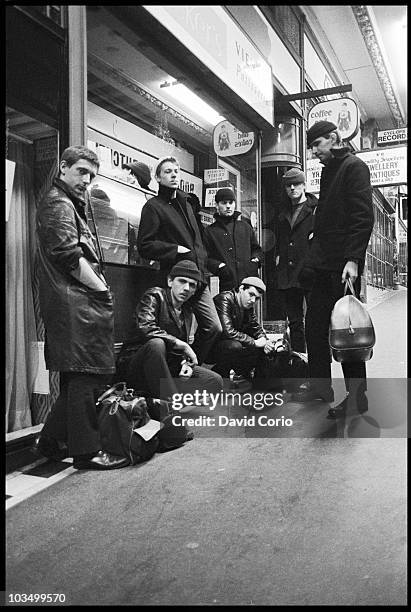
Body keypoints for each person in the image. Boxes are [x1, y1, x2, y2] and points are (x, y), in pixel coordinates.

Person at [33, 145, 128, 470]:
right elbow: (68, 255)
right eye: (81, 172)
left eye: (91, 175)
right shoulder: (59, 204)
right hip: (76, 304)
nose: (86, 180)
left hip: (73, 303)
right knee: (86, 376)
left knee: (77, 379)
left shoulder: (66, 203)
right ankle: (87, 453)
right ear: (63, 167)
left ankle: (49, 440)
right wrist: (101, 288)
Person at [294, 121, 374, 418]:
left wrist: (353, 259)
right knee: (314, 327)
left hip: (342, 266)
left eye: (317, 144)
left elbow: (363, 217)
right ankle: (320, 386)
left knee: (346, 330)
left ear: (333, 138)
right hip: (323, 265)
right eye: (311, 146)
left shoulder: (354, 167)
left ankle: (357, 398)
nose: (314, 152)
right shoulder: (330, 170)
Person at [137, 156, 222, 364]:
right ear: (158, 177)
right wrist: (176, 250)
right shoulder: (153, 206)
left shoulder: (186, 203)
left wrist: (207, 263)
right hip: (177, 278)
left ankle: (193, 365)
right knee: (175, 330)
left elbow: (199, 240)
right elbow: (144, 246)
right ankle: (177, 370)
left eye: (176, 171)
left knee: (214, 327)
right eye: (167, 171)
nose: (174, 174)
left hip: (198, 277)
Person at [122, 260, 223, 403]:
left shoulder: (187, 311)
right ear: (170, 281)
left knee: (214, 381)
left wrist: (186, 364)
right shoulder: (155, 295)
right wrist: (182, 344)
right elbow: (145, 327)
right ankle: (171, 404)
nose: (187, 288)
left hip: (167, 369)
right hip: (138, 366)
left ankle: (161, 399)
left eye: (192, 285)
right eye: (182, 281)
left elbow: (177, 349)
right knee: (156, 344)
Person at [274, 169, 317, 355]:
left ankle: (318, 365)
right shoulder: (282, 212)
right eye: (288, 185)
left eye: (296, 184)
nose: (292, 188)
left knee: (315, 322)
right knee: (295, 322)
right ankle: (301, 362)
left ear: (304, 185)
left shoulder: (316, 209)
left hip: (310, 272)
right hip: (288, 274)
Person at [210, 277, 276, 384]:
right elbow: (228, 331)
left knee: (262, 347)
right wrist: (254, 342)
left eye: (257, 298)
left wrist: (265, 341)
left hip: (232, 345)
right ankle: (220, 373)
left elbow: (254, 326)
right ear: (241, 288)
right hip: (213, 348)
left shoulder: (248, 306)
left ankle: (253, 381)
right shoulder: (224, 299)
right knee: (235, 346)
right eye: (251, 294)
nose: (253, 300)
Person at [203, 187, 263, 292]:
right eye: (224, 203)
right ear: (217, 205)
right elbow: (205, 257)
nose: (228, 206)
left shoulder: (245, 227)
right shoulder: (210, 231)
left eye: (231, 202)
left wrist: (254, 262)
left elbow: (257, 250)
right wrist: (220, 267)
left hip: (248, 284)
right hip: (226, 284)